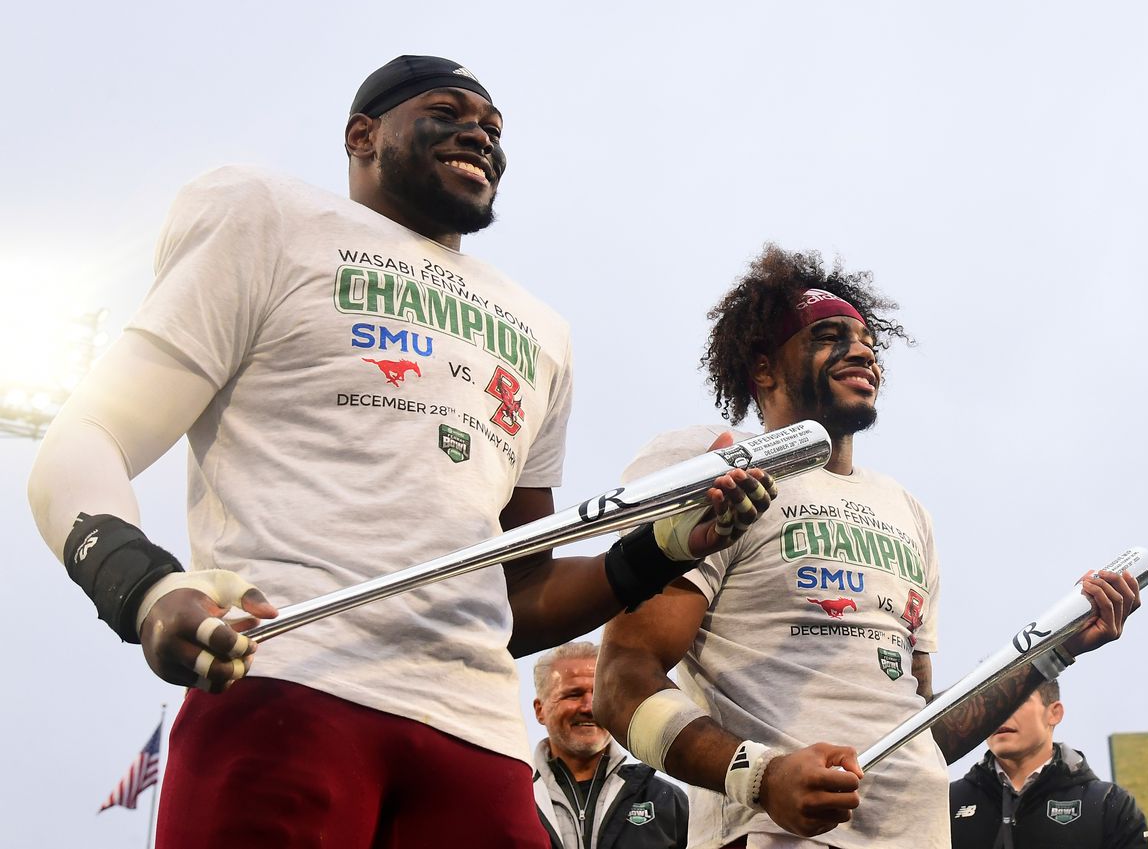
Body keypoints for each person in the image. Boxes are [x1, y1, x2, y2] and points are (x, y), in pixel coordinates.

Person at [27, 55, 774, 849]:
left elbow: (520, 595)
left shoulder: (541, 329)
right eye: (447, 112)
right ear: (362, 135)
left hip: (477, 732)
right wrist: (143, 587)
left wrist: (661, 548)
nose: (480, 136)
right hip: (289, 676)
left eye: (493, 128)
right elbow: (85, 437)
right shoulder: (267, 214)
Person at [593, 244, 1142, 849]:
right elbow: (621, 681)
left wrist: (1054, 651)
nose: (862, 353)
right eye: (828, 337)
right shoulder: (722, 467)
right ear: (764, 368)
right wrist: (760, 776)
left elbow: (922, 731)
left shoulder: (908, 511)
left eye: (867, 342)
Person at [949, 680, 1148, 849]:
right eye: (989, 704)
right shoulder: (947, 803)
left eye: (1015, 700)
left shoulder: (1109, 805)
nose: (999, 713)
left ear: (1054, 713)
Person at [532, 641, 688, 849]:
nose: (589, 708)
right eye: (573, 694)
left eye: (600, 695)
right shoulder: (510, 802)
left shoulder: (666, 801)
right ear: (540, 710)